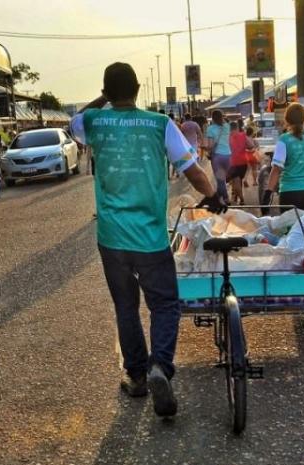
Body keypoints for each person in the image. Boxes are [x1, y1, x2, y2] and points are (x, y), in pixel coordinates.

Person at [69, 62, 225, 418]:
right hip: (150, 237)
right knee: (165, 304)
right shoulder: (160, 124)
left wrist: (104, 98)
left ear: (106, 92)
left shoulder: (94, 122)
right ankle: (161, 368)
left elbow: (76, 120)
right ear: (138, 89)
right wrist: (214, 196)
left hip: (111, 238)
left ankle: (137, 377)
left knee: (126, 307)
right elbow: (192, 171)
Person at [263, 103, 304, 223]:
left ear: (287, 120)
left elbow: (276, 170)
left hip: (290, 194)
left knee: (291, 234)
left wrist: (268, 194)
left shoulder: (284, 140)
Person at [205, 110, 232, 203]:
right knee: (224, 179)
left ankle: (226, 198)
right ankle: (220, 198)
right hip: (228, 155)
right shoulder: (227, 126)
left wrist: (206, 150)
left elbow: (211, 145)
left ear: (212, 118)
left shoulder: (210, 129)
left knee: (220, 180)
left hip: (217, 157)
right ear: (222, 117)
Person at [228, 121, 249, 205]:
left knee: (236, 181)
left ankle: (242, 199)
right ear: (237, 128)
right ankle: (236, 197)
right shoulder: (243, 135)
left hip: (232, 163)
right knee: (238, 180)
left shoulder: (227, 137)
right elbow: (251, 145)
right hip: (243, 162)